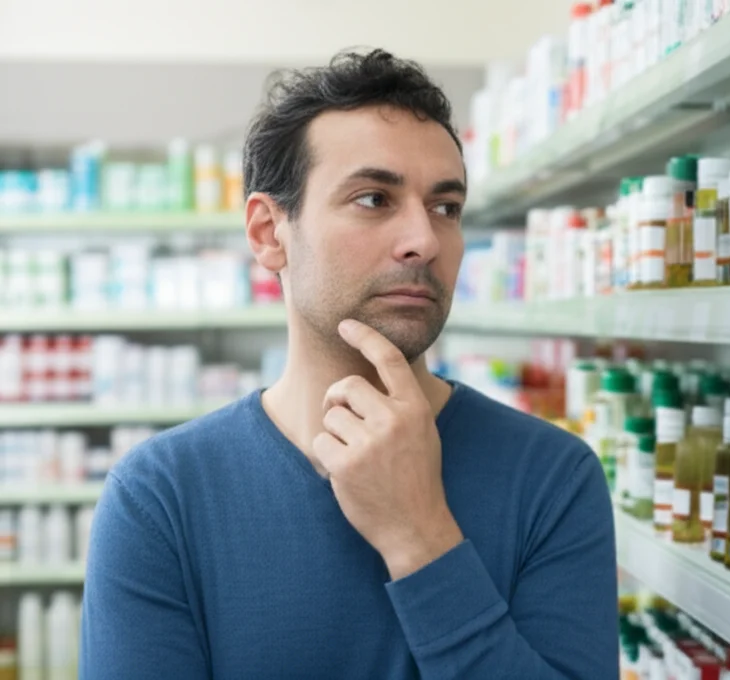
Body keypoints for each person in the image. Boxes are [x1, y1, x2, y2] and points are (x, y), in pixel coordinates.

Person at [80, 49, 618, 679]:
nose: (423, 239)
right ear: (267, 233)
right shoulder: (159, 497)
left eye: (446, 207)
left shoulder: (553, 477)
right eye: (373, 198)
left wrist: (420, 538)